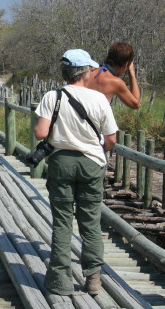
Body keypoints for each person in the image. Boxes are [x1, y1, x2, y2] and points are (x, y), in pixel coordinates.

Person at [33, 49, 118, 296]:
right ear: (85, 72)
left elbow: (40, 133)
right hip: (92, 163)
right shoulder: (99, 99)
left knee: (62, 222)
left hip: (61, 162)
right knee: (90, 221)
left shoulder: (52, 96)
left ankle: (60, 280)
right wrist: (99, 149)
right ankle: (93, 278)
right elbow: (111, 138)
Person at [86, 42, 141, 109]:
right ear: (126, 64)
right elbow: (135, 104)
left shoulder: (89, 71)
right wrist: (132, 74)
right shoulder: (116, 82)